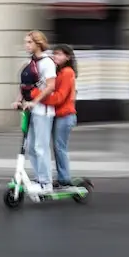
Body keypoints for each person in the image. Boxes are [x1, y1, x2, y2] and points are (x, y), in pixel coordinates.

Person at [11, 31, 57, 194]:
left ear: (38, 43)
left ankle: (46, 183)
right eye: (25, 42)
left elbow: (50, 86)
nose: (26, 45)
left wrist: (34, 102)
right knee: (30, 148)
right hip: (30, 110)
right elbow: (24, 86)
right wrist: (18, 100)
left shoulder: (47, 63)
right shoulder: (30, 62)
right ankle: (39, 179)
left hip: (43, 111)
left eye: (29, 42)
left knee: (41, 147)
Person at [30, 44, 77, 187]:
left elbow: (59, 98)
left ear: (68, 57)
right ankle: (58, 177)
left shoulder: (68, 72)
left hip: (65, 115)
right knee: (53, 147)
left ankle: (64, 178)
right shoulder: (58, 71)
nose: (56, 56)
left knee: (59, 147)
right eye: (55, 54)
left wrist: (37, 95)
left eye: (60, 54)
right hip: (57, 115)